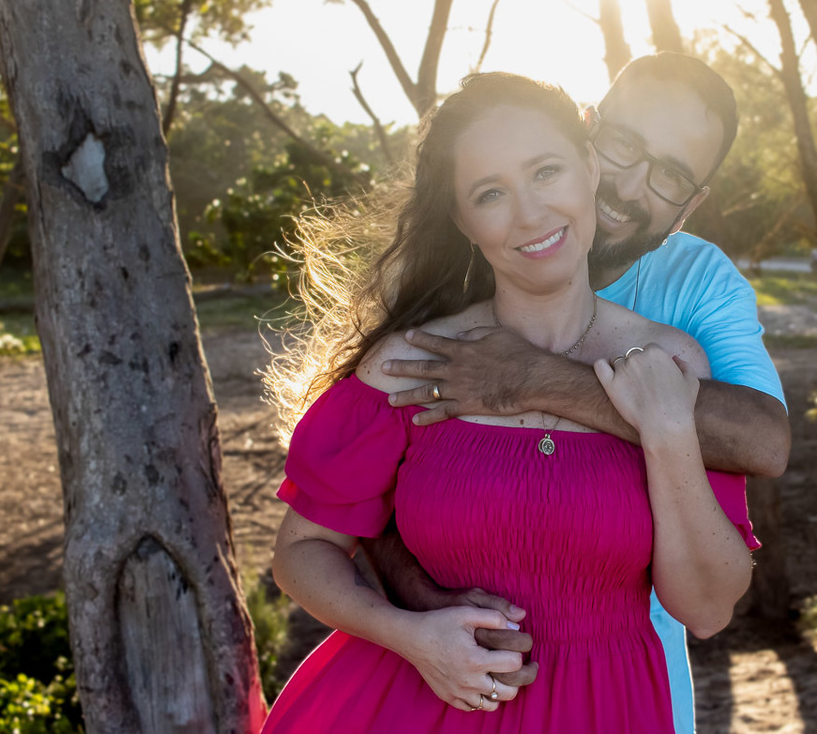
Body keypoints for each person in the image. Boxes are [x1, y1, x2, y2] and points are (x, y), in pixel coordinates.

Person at [262, 72, 753, 733]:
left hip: (608, 709)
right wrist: (411, 636)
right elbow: (301, 552)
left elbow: (707, 608)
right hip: (417, 706)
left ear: (588, 168)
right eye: (491, 193)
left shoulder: (671, 364)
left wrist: (667, 430)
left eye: (546, 172)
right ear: (465, 220)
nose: (530, 214)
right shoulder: (413, 361)